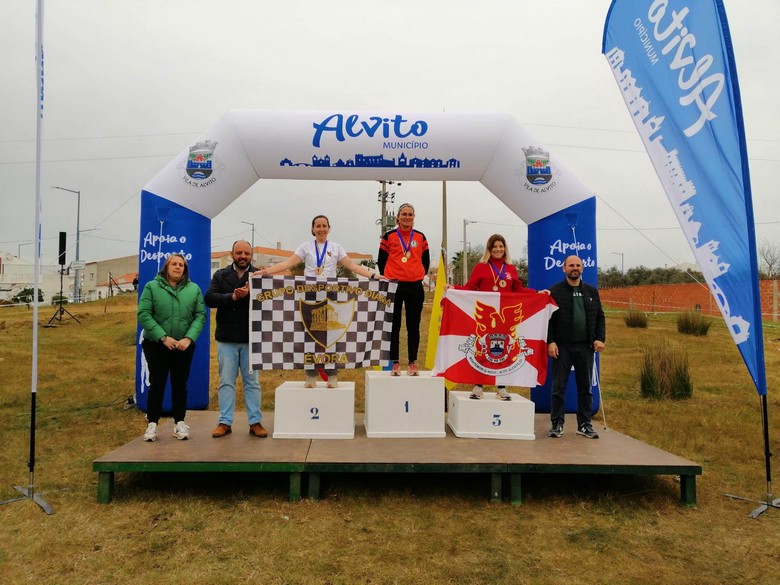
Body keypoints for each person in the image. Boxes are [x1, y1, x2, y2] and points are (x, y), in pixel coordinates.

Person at [255, 215, 383, 388]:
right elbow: (288, 264)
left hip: (331, 296)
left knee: (332, 337)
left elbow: (352, 266)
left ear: (329, 228)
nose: (321, 229)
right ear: (313, 229)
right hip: (310, 296)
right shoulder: (305, 247)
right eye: (318, 226)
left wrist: (373, 275)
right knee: (310, 336)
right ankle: (310, 375)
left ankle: (332, 375)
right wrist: (265, 272)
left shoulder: (336, 248)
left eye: (324, 226)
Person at [450, 233, 545, 400]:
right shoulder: (481, 267)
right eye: (495, 247)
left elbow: (518, 289)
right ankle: (478, 385)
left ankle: (501, 387)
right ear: (489, 249)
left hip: (504, 316)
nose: (498, 249)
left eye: (501, 246)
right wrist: (454, 289)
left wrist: (537, 293)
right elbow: (470, 287)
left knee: (503, 350)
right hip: (486, 315)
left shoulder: (510, 268)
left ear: (505, 249)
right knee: (483, 348)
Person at [137, 253, 206, 442]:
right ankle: (152, 423)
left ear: (185, 269)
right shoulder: (151, 287)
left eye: (181, 265)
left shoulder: (194, 289)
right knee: (157, 383)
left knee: (180, 384)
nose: (177, 267)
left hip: (183, 347)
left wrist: (189, 338)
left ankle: (179, 422)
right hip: (156, 345)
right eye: (174, 264)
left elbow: (200, 315)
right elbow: (144, 314)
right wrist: (162, 337)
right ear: (166, 267)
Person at [205, 240, 268, 438]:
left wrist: (250, 294)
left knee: (253, 383)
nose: (243, 256)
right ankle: (225, 422)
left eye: (246, 253)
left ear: (251, 256)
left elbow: (269, 302)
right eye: (239, 253)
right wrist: (232, 297)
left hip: (251, 338)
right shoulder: (220, 275)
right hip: (227, 338)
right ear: (232, 254)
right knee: (226, 382)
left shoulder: (259, 275)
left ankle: (255, 422)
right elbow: (209, 298)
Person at [546, 255, 606, 439]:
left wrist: (599, 338)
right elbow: (548, 319)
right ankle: (557, 424)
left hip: (585, 347)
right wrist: (551, 341)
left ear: (583, 268)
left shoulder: (591, 291)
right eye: (571, 265)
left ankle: (585, 424)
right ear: (564, 268)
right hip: (562, 347)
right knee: (558, 388)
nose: (575, 268)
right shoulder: (555, 291)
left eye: (578, 265)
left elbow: (600, 317)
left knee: (585, 388)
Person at [377, 203, 429, 376]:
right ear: (398, 217)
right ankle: (395, 363)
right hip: (394, 285)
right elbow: (381, 261)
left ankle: (412, 362)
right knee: (394, 325)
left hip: (414, 286)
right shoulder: (389, 236)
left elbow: (426, 261)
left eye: (410, 214)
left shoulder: (420, 237)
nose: (407, 217)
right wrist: (390, 276)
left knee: (413, 326)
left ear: (414, 217)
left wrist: (416, 274)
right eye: (404, 214)